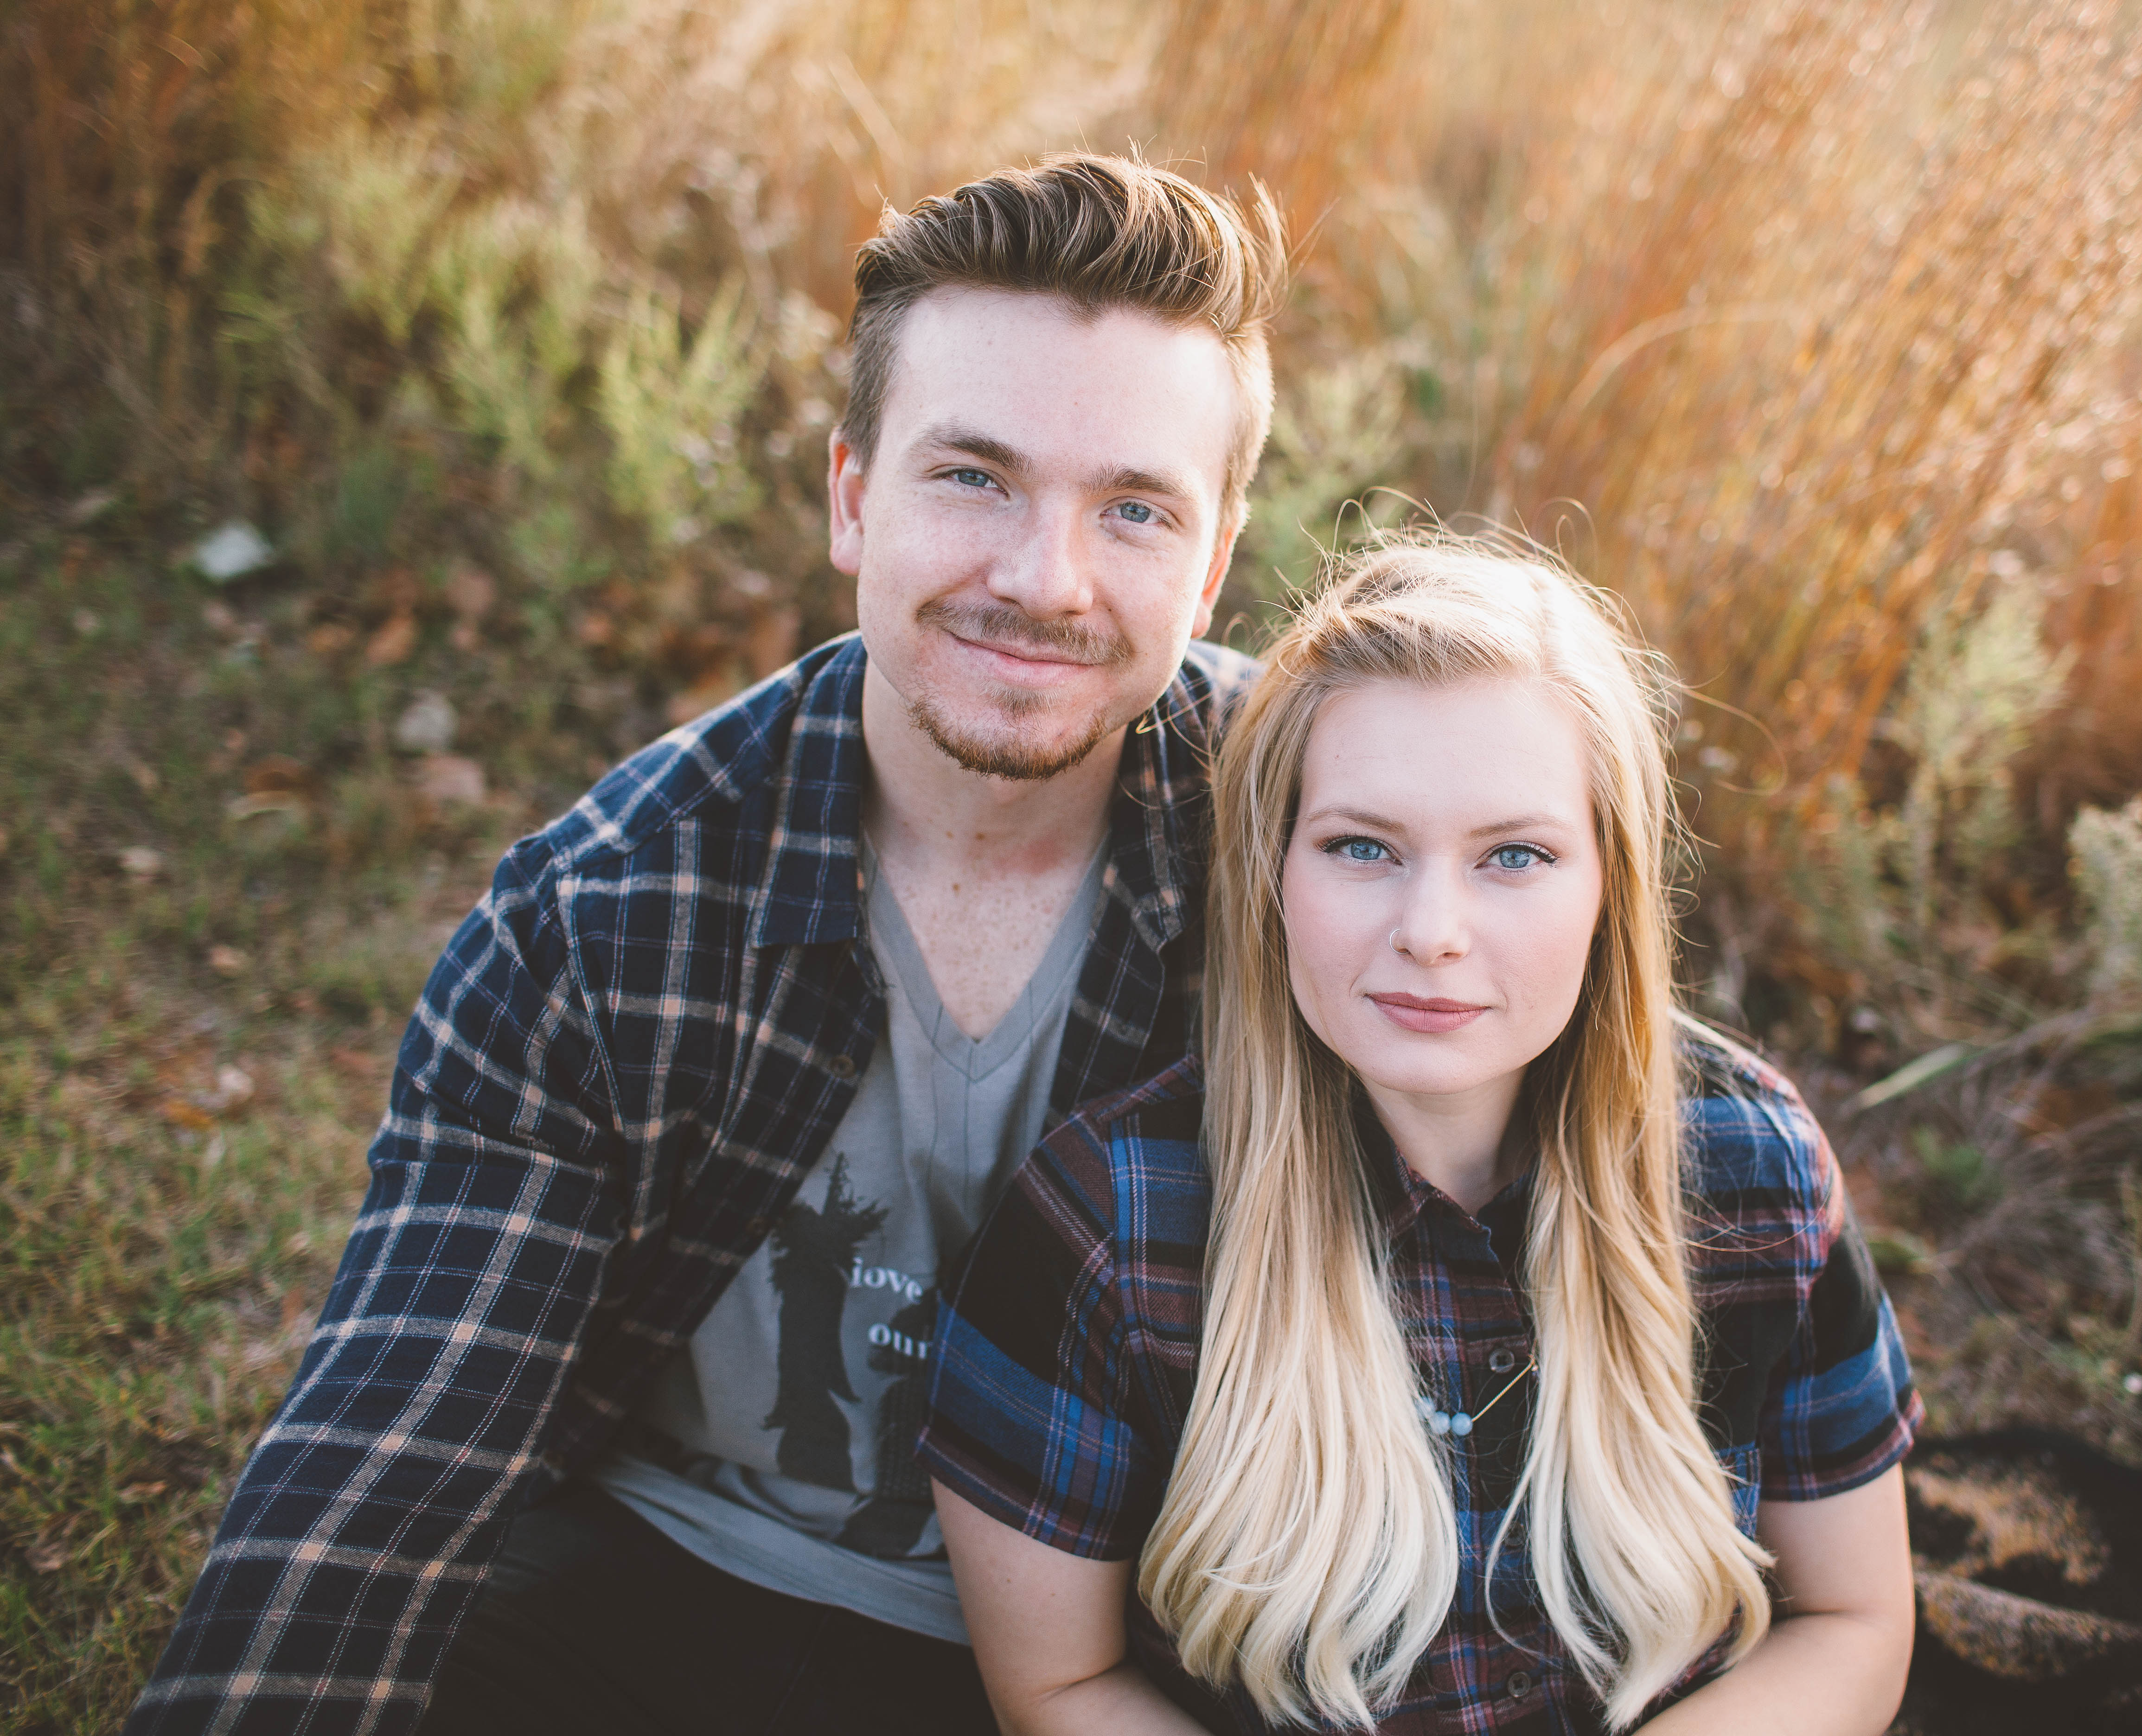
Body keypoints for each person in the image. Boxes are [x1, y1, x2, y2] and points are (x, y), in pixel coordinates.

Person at [127, 153, 1285, 1736]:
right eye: (974, 478)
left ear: (1214, 561)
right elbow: (381, 1472)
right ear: (851, 495)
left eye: (1135, 508)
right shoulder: (610, 911)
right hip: (648, 1579)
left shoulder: (1316, 857)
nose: (1043, 578)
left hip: (1117, 1631)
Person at [920, 540, 1925, 1735]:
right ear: (1273, 869)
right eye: (1361, 847)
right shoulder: (1109, 1224)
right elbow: (1058, 1685)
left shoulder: (1748, 1167)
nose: (1432, 931)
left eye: (1516, 856)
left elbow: (1855, 1620)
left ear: (1611, 883)